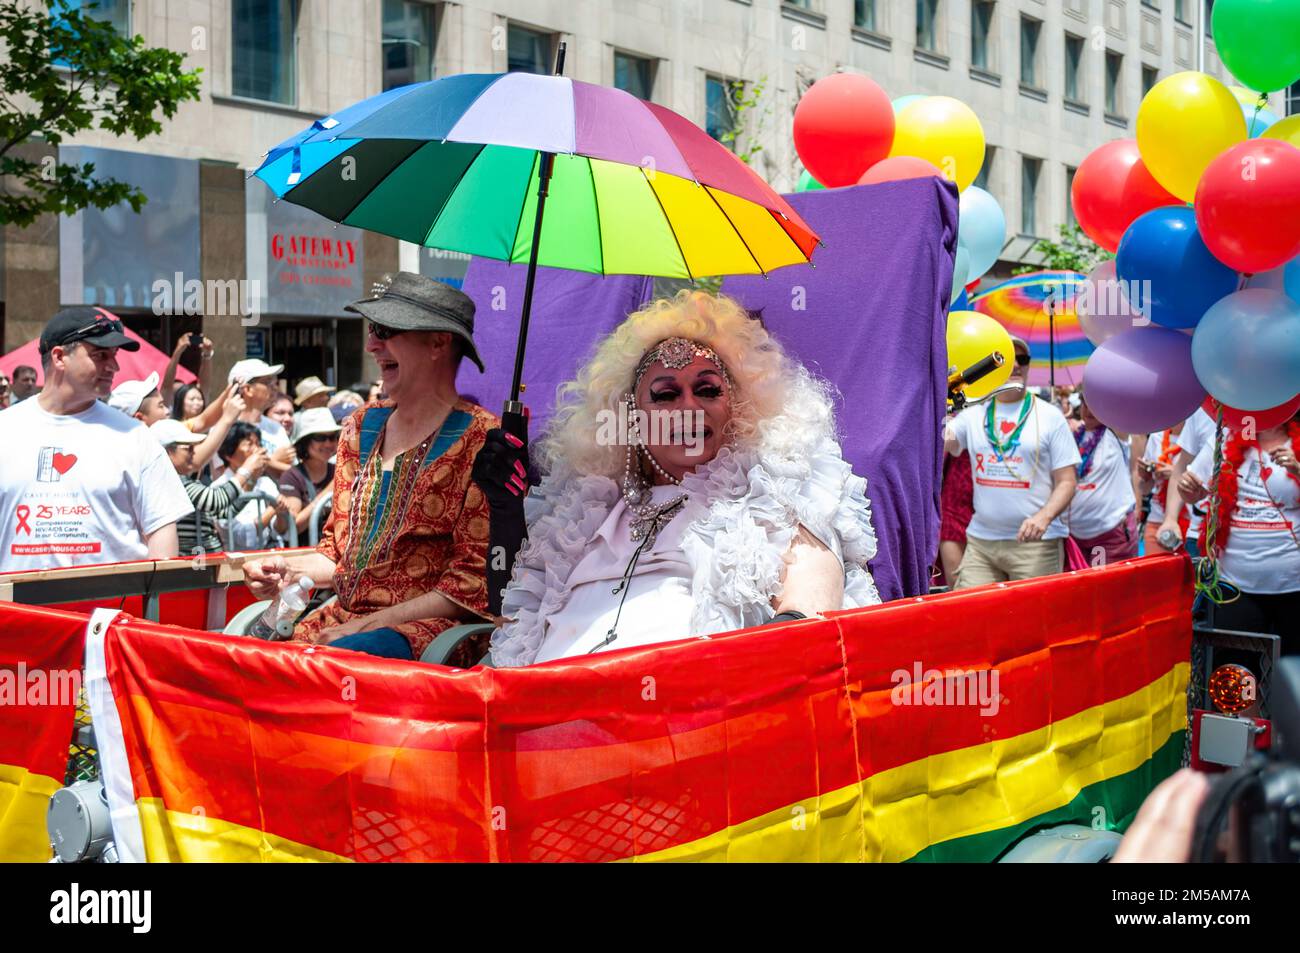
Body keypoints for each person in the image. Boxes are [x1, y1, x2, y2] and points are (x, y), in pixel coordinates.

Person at [487, 291, 880, 668]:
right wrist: (505, 509)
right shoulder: (585, 510)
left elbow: (811, 611)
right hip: (545, 710)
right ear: (632, 418)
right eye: (665, 395)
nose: (688, 407)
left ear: (739, 406)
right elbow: (513, 616)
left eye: (707, 390)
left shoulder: (775, 490)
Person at [242, 273, 498, 661]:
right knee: (239, 657)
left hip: (425, 637)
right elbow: (336, 553)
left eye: (386, 329)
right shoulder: (360, 426)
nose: (370, 344)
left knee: (331, 665)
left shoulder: (482, 438)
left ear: (439, 343)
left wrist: (363, 627)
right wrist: (284, 570)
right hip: (342, 623)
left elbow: (468, 586)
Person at [0, 307, 193, 570]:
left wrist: (150, 603)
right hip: (17, 610)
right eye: (100, 355)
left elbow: (161, 533)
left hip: (109, 609)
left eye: (113, 356)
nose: (114, 366)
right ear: (59, 357)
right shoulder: (7, 429)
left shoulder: (135, 437)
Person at [944, 336, 1080, 587]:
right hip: (981, 542)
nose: (1017, 365)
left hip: (1036, 545)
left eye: (1023, 359)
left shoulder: (1051, 416)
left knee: (1033, 623)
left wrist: (1043, 517)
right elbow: (944, 442)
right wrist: (941, 399)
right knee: (974, 616)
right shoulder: (973, 415)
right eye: (1009, 358)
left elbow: (1068, 481)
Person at [1177, 411, 1300, 647]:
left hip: (1293, 583)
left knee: (1292, 672)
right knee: (1237, 672)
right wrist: (1188, 489)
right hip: (1237, 583)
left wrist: (1298, 470)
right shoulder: (1226, 437)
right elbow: (1190, 487)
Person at [153, 417, 263, 556]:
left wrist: (251, 482)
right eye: (188, 448)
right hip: (192, 564)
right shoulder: (172, 482)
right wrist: (246, 470)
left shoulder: (182, 480)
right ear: (167, 452)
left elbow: (224, 513)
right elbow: (216, 501)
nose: (194, 452)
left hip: (202, 562)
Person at [1065, 386, 1140, 564]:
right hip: (1075, 536)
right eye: (1085, 403)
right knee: (1079, 590)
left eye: (1095, 404)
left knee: (1104, 588)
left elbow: (1127, 402)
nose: (1089, 409)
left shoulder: (1115, 432)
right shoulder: (1074, 435)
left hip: (1109, 536)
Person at [212, 422, 289, 550]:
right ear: (229, 454)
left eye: (258, 444)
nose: (258, 450)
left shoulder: (266, 482)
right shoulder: (218, 488)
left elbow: (279, 530)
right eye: (249, 444)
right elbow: (241, 537)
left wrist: (280, 512)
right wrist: (272, 510)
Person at [1157, 406, 1221, 559]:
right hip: (1199, 533)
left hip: (1249, 537)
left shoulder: (1263, 414)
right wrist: (1170, 519)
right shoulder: (1201, 412)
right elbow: (1181, 469)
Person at [280, 407, 340, 540]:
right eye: (320, 438)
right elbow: (293, 528)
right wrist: (327, 492)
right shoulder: (291, 476)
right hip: (304, 554)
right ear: (305, 441)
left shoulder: (340, 470)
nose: (328, 443)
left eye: (332, 437)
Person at [228, 358, 296, 474]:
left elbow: (292, 473)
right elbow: (223, 473)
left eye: (275, 383)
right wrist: (273, 461)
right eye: (268, 383)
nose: (275, 388)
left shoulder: (276, 429)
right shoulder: (226, 428)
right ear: (248, 389)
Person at [1137, 420, 1186, 556]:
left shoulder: (1196, 438)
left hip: (1188, 524)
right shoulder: (1156, 437)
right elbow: (1145, 489)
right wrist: (1145, 475)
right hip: (1156, 521)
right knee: (1155, 575)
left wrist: (1175, 473)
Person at [161, 333, 213, 406]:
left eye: (198, 398)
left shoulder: (201, 411)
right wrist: (178, 351)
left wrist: (207, 354)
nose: (196, 402)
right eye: (192, 399)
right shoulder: (170, 412)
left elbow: (205, 385)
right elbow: (167, 386)